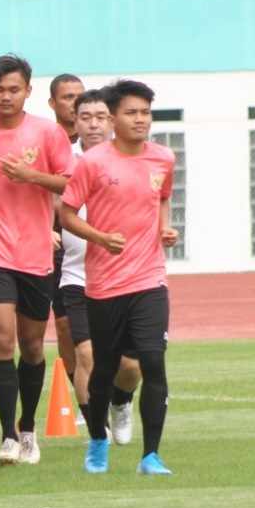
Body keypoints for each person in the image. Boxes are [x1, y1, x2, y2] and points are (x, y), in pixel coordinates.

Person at [0, 55, 74, 467]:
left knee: (31, 345)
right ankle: (7, 435)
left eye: (13, 89)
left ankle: (28, 428)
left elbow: (71, 183)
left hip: (36, 252)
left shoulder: (47, 133)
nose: (5, 96)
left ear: (28, 91)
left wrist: (32, 177)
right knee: (3, 340)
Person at [60, 80, 178, 476]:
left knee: (152, 362)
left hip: (149, 279)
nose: (140, 119)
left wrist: (165, 228)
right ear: (113, 119)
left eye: (145, 112)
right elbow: (67, 213)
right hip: (104, 284)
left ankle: (151, 456)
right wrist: (99, 237)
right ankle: (97, 440)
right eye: (131, 112)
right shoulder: (92, 163)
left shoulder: (163, 158)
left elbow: (161, 196)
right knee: (103, 369)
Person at [57, 91, 142, 445]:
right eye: (85, 116)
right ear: (74, 121)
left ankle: (121, 402)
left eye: (100, 116)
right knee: (86, 353)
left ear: (112, 121)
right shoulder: (62, 160)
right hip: (77, 276)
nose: (93, 123)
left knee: (130, 366)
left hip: (127, 275)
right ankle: (98, 433)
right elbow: (44, 201)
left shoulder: (134, 158)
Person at [46, 74, 85, 415]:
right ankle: (86, 397)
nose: (74, 103)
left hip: (91, 240)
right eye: (67, 97)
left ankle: (110, 391)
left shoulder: (97, 141)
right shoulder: (44, 140)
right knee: (64, 327)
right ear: (52, 103)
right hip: (54, 243)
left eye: (79, 96)